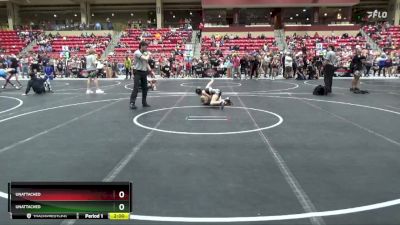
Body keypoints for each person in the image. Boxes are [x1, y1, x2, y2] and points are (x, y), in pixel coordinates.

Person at [130, 41, 152, 110]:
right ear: (141, 46)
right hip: (137, 72)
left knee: (145, 88)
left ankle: (144, 102)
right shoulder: (137, 52)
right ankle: (132, 103)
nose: (146, 48)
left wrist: (150, 70)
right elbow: (145, 58)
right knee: (136, 88)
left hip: (144, 72)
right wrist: (149, 54)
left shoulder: (145, 53)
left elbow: (146, 62)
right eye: (145, 47)